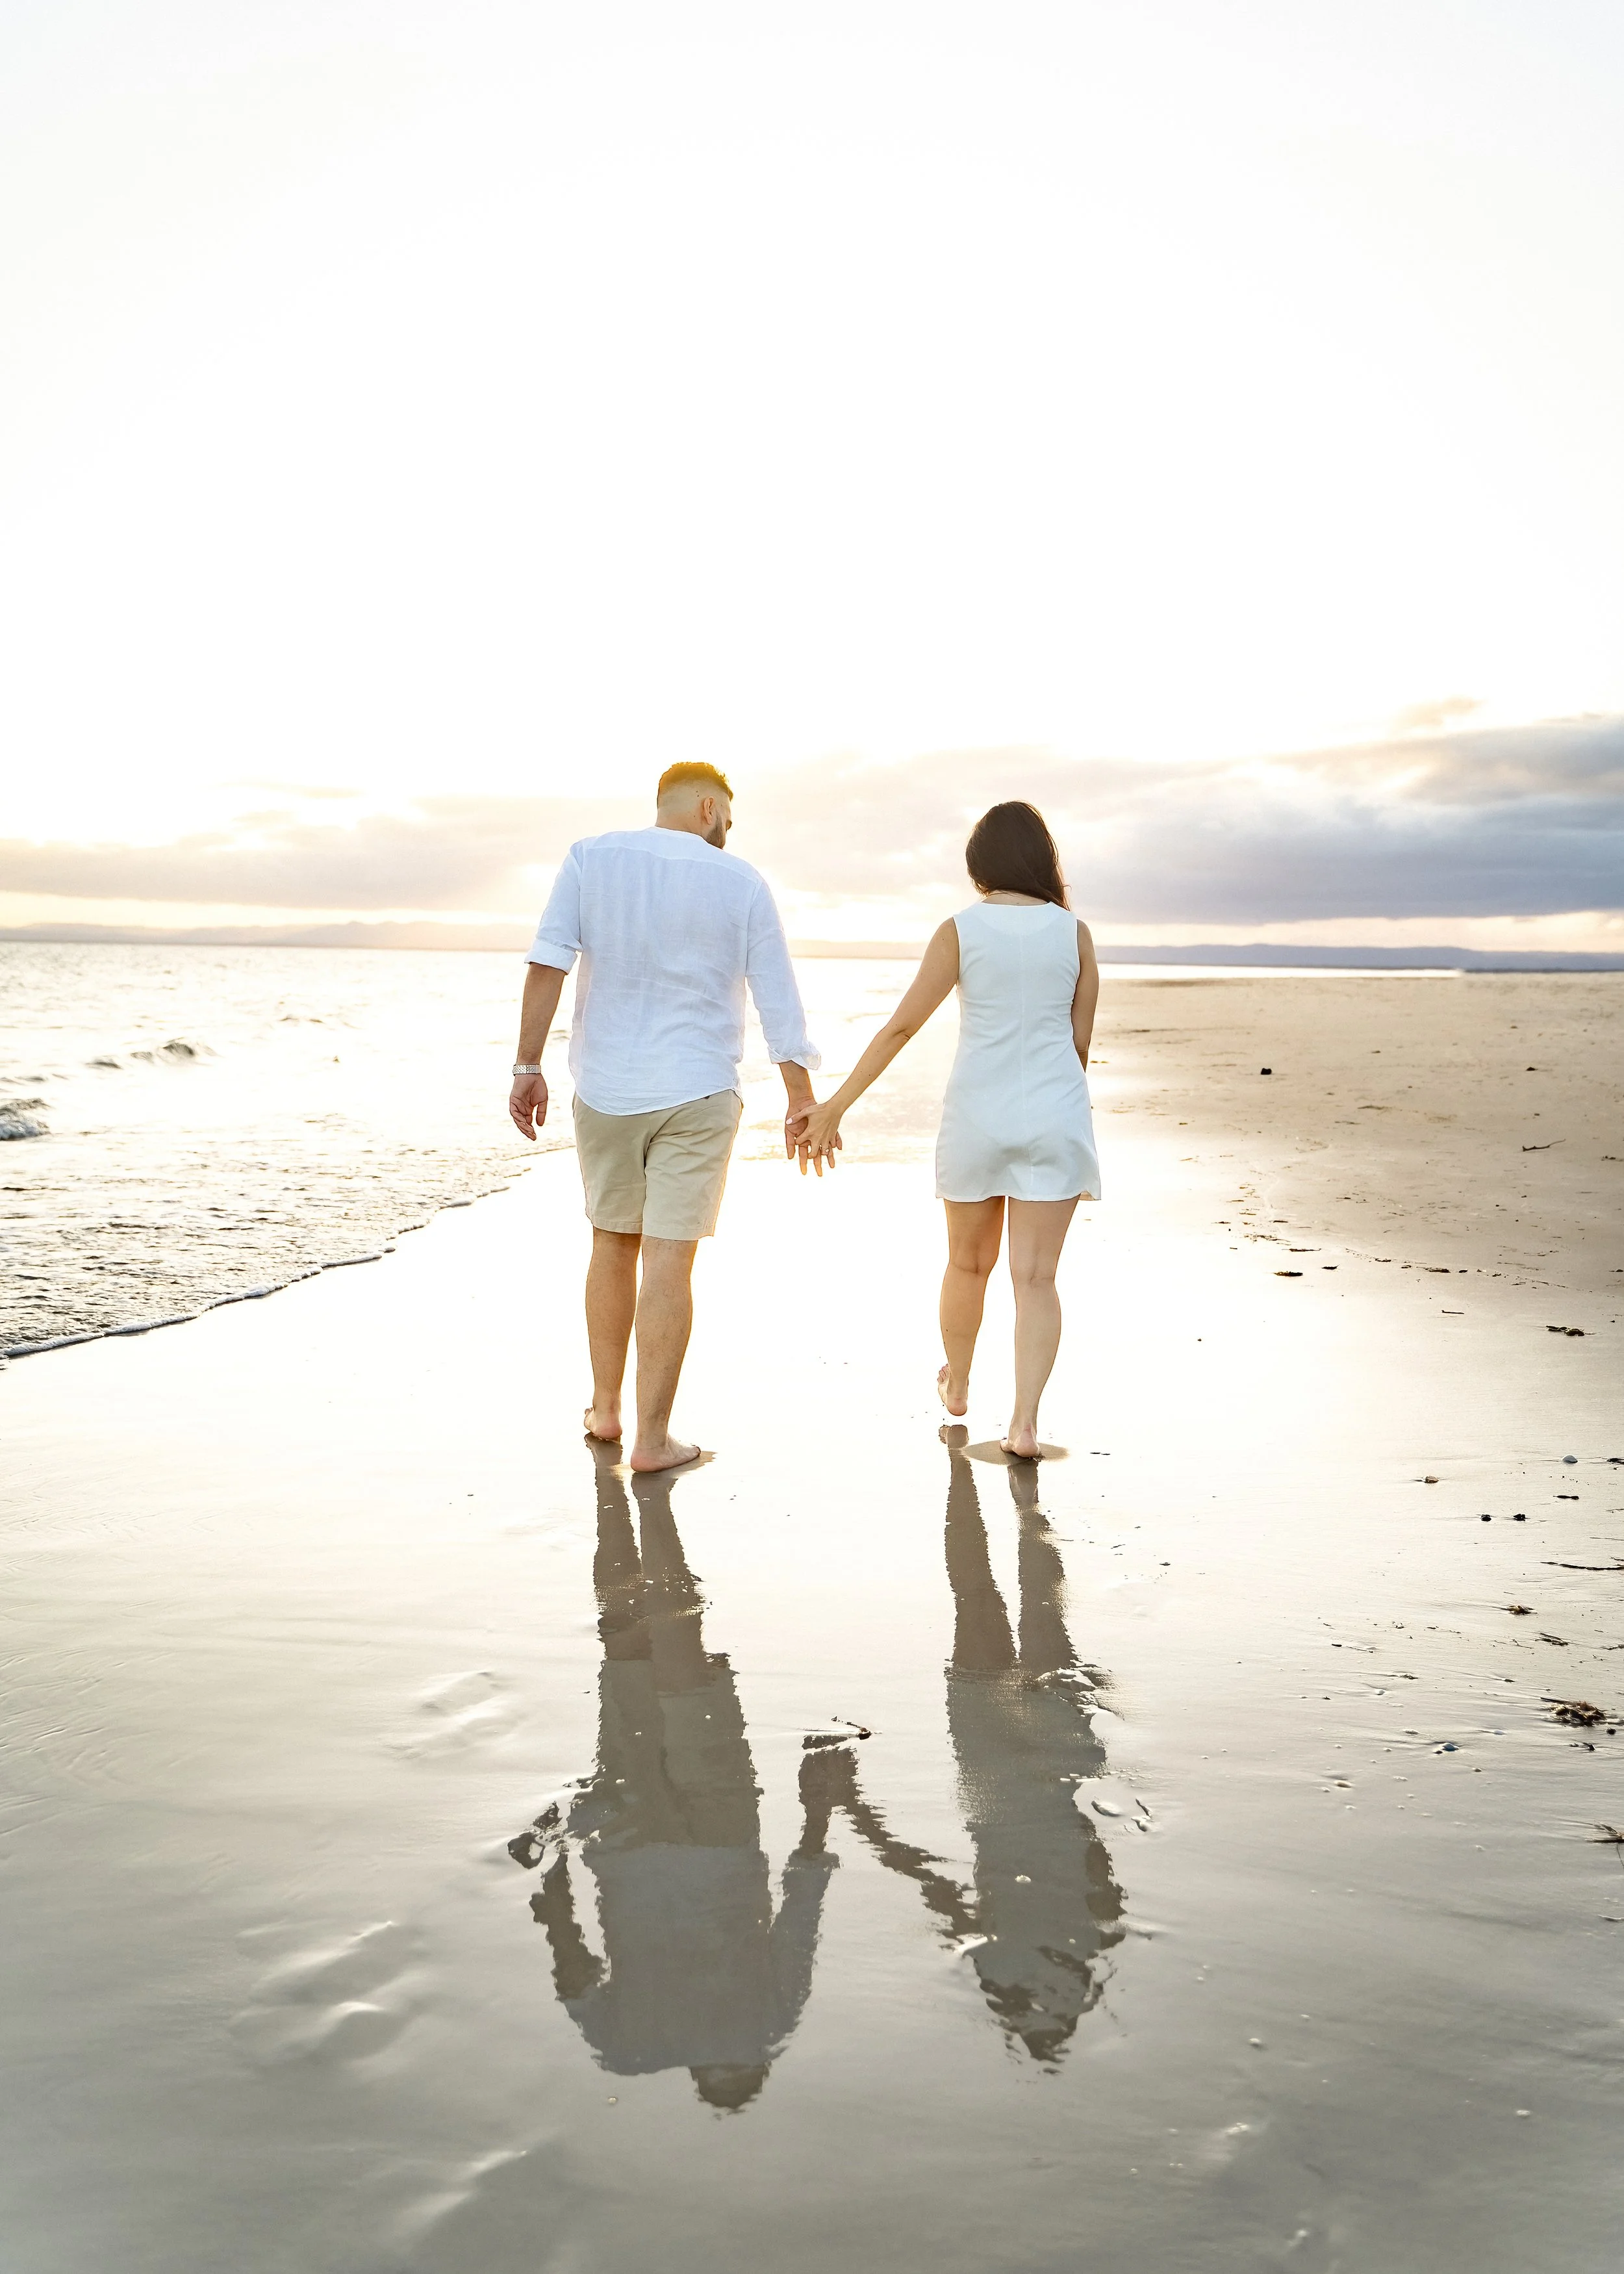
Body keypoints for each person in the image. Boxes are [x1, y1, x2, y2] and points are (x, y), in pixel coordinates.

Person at [510, 763, 820, 1472]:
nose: (728, 832)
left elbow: (548, 962)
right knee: (670, 1260)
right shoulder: (741, 881)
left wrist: (527, 1066)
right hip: (697, 1090)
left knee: (611, 1243)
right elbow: (776, 992)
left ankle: (606, 1410)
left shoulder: (590, 857)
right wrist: (800, 1095)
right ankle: (653, 1440)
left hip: (607, 1088)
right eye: (728, 820)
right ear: (709, 807)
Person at [508, 1453, 839, 2111]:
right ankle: (613, 1496)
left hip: (722, 1851)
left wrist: (817, 1806)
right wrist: (553, 1869)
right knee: (625, 1653)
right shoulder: (627, 2051)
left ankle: (650, 1500)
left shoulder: (767, 2029)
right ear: (697, 2078)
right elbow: (569, 1962)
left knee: (684, 1666)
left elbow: (799, 1917)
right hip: (626, 1847)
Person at [793, 800, 1099, 1457]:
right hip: (1056, 1114)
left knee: (967, 1263)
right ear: (1042, 859)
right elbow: (1079, 1044)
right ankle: (1024, 1425)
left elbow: (902, 1027)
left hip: (977, 1116)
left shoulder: (960, 930)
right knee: (1036, 1279)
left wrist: (837, 1105)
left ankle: (957, 1383)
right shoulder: (1074, 934)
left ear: (979, 863)